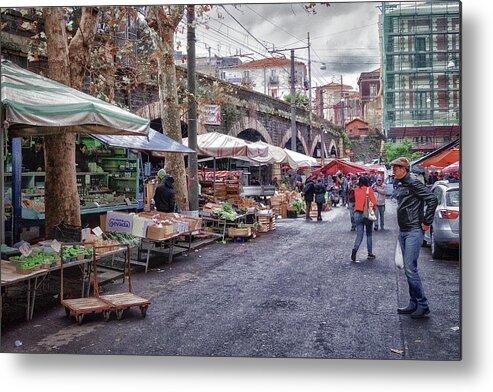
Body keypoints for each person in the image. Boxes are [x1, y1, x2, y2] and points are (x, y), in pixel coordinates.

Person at [390, 157, 438, 319]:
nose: (394, 171)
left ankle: (422, 305)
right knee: (409, 269)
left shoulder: (413, 182)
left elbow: (432, 199)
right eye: (393, 168)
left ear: (404, 169)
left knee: (410, 269)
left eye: (396, 168)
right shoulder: (403, 183)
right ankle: (413, 303)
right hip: (405, 231)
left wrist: (426, 222)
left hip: (413, 230)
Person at [351, 176, 376, 262]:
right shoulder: (369, 189)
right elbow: (374, 202)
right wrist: (373, 211)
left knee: (359, 234)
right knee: (369, 234)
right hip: (366, 213)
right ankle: (370, 253)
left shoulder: (356, 189)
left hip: (357, 213)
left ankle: (355, 249)